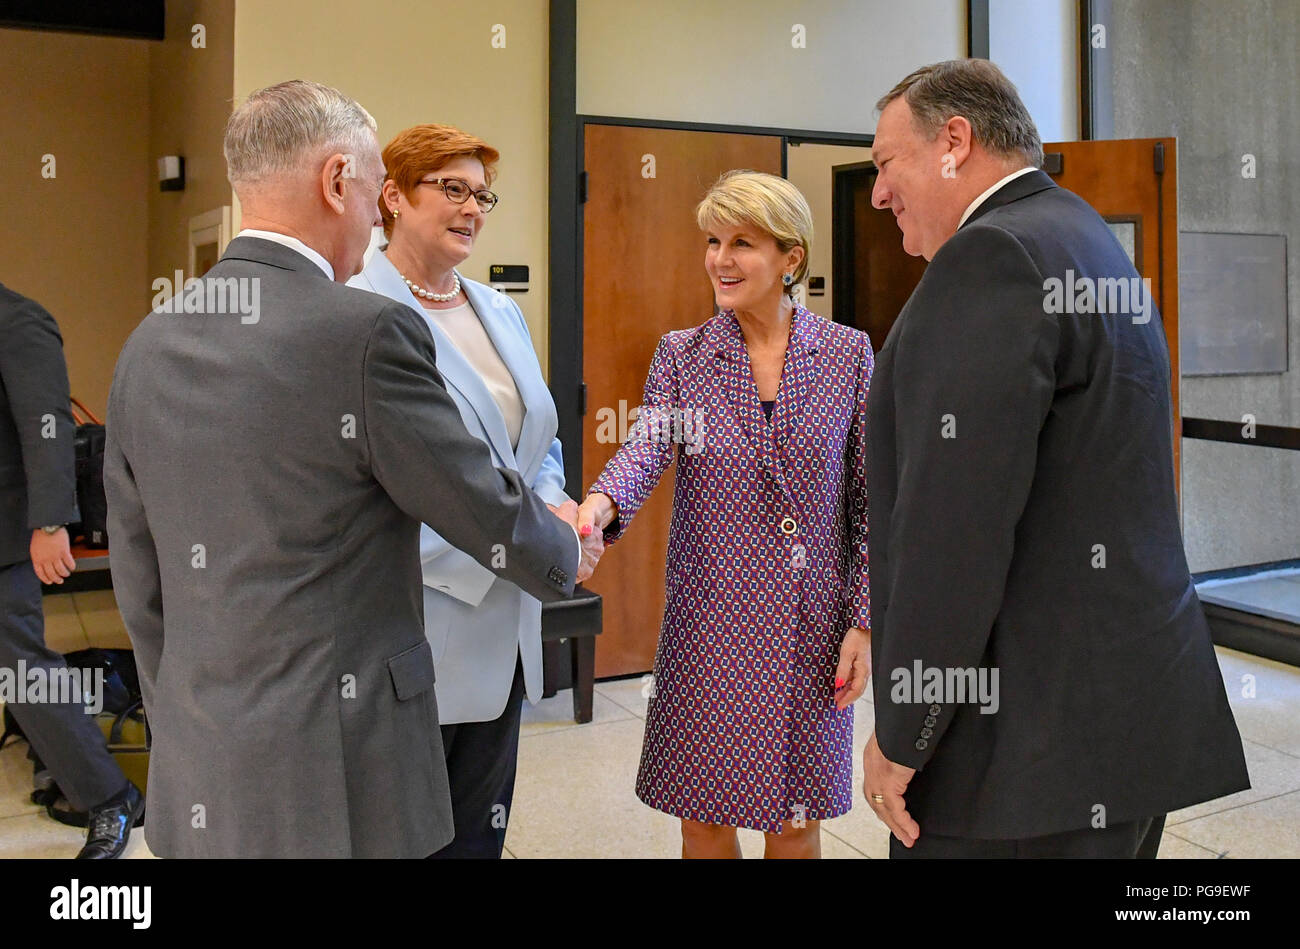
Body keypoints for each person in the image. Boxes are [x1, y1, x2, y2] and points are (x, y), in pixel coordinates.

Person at [104, 80, 585, 858]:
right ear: (336, 181)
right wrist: (567, 549)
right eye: (369, 191)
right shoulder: (364, 331)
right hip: (344, 767)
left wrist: (187, 716)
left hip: (204, 755)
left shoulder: (147, 344)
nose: (371, 214)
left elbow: (140, 579)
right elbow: (470, 498)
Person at [862, 58, 1250, 858]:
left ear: (954, 142)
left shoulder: (990, 259)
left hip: (1022, 760)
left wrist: (905, 731)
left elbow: (955, 531)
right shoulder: (1086, 239)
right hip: (1129, 728)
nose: (878, 194)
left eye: (884, 165)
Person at [577, 171, 873, 859]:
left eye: (742, 242)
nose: (720, 258)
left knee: (795, 822)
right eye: (713, 240)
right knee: (702, 815)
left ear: (791, 257)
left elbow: (868, 498)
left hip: (813, 624)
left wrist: (863, 618)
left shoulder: (848, 354)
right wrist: (600, 503)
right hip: (711, 620)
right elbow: (647, 444)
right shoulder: (684, 354)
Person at [348, 124, 601, 858]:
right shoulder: (358, 310)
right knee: (407, 839)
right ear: (392, 195)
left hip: (508, 625)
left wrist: (555, 507)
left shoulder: (499, 309)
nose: (472, 208)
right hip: (414, 622)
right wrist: (528, 547)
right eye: (452, 189)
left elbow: (537, 444)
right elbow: (375, 483)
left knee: (477, 832)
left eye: (482, 194)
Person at [0, 283, 143, 859]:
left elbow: (47, 423)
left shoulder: (18, 319)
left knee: (20, 668)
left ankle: (109, 796)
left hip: (6, 529)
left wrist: (53, 521)